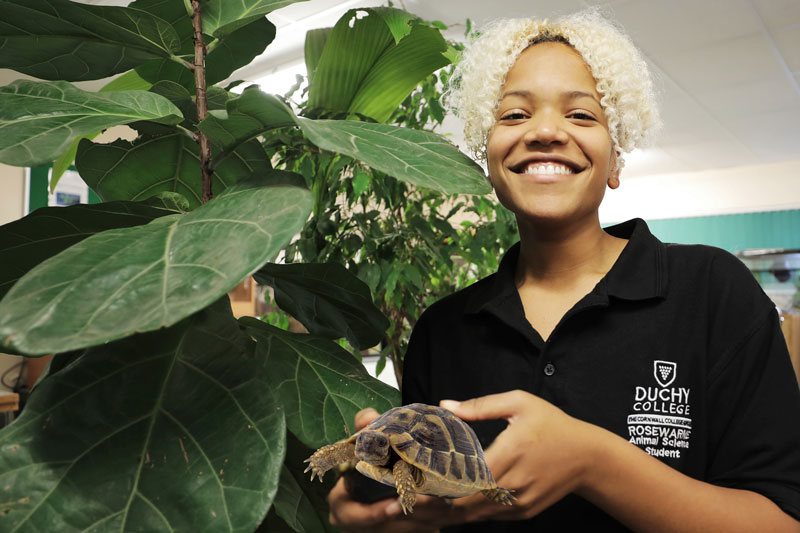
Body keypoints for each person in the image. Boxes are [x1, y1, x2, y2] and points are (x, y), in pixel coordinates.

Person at [327, 9, 800, 531]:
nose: (546, 131)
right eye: (513, 115)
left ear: (615, 159)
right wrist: (384, 513)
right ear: (488, 157)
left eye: (581, 115)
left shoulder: (712, 292)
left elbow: (781, 519)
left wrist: (592, 462)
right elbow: (429, 499)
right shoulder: (443, 331)